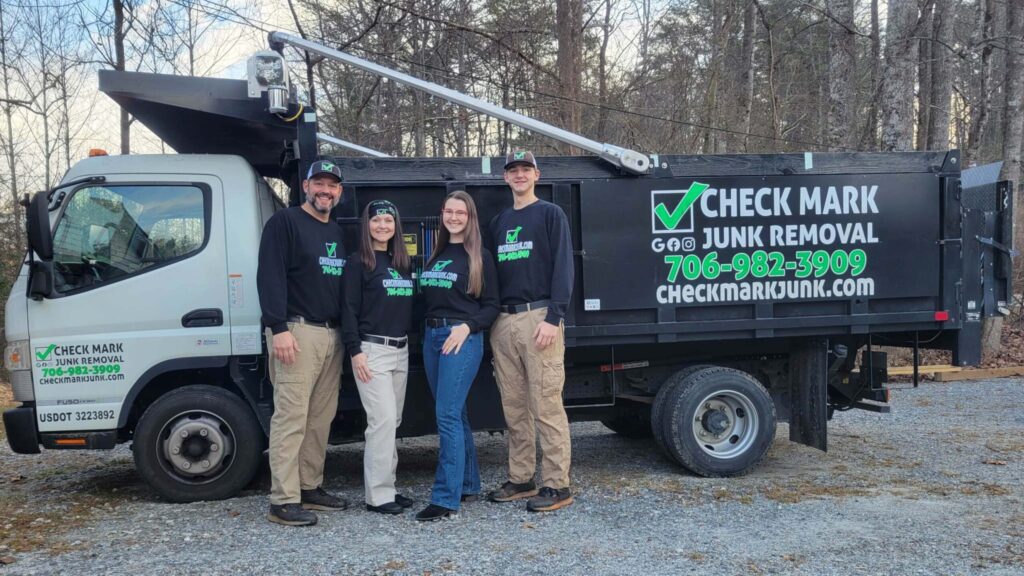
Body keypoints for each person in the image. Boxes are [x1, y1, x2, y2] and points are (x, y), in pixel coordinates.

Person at [257, 159, 350, 527]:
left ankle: (310, 486)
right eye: (319, 184)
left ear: (339, 192)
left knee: (319, 418)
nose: (326, 191)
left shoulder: (337, 233)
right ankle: (283, 499)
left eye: (332, 185)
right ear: (306, 187)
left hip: (331, 335)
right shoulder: (285, 222)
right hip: (296, 332)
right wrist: (278, 327)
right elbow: (270, 276)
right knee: (291, 417)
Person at [487, 150, 575, 512]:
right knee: (514, 407)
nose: (519, 175)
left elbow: (564, 268)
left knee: (546, 405)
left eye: (525, 169)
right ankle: (521, 477)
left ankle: (557, 485)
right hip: (503, 321)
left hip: (539, 317)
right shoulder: (499, 222)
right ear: (505, 178)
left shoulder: (551, 214)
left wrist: (553, 318)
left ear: (536, 174)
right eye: (513, 170)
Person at [415, 190, 500, 521]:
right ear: (443, 215)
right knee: (456, 414)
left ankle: (444, 498)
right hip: (432, 338)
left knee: (446, 415)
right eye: (449, 211)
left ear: (470, 218)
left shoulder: (480, 257)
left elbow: (492, 305)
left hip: (461, 339)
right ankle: (467, 483)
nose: (453, 217)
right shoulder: (436, 255)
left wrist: (468, 327)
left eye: (460, 213)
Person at [340, 199, 416, 515]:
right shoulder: (359, 263)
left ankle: (388, 487)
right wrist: (355, 351)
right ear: (366, 225)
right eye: (376, 220)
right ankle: (378, 496)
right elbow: (348, 311)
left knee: (392, 422)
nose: (382, 225)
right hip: (371, 350)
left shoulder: (402, 263)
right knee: (382, 422)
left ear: (396, 225)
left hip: (401, 350)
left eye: (388, 219)